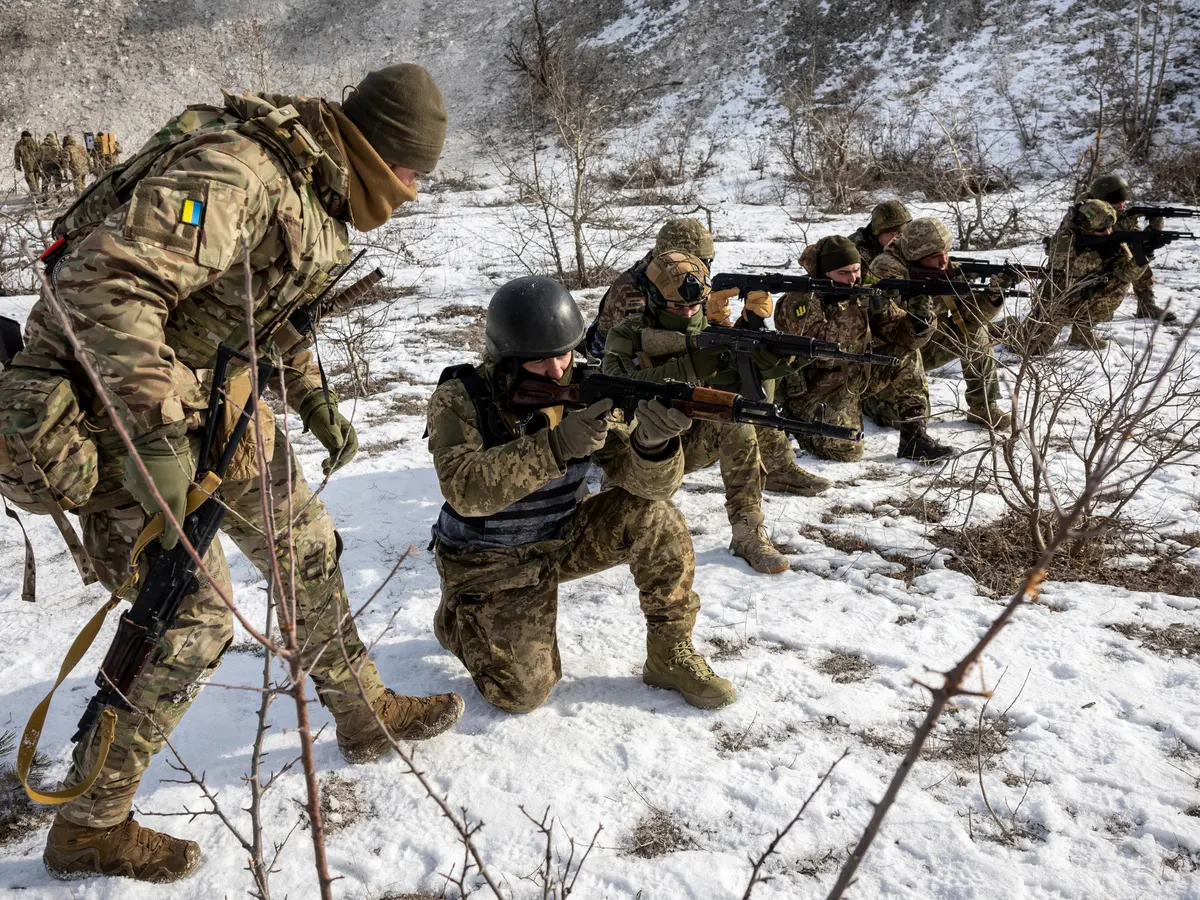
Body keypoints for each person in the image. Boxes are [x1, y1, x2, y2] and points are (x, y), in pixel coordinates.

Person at [9, 64, 462, 883]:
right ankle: (89, 824)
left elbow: (262, 312)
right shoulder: (237, 173)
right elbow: (104, 290)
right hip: (111, 403)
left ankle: (361, 711)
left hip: (205, 401)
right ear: (376, 151)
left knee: (306, 544)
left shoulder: (318, 189)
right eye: (412, 175)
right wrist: (155, 451)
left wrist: (315, 402)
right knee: (189, 614)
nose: (414, 193)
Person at [428, 275, 736, 714]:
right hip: (487, 558)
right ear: (506, 359)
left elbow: (647, 485)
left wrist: (654, 447)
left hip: (562, 536)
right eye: (540, 361)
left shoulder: (588, 389)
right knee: (523, 695)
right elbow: (465, 490)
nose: (557, 370)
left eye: (565, 354)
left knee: (656, 515)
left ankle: (669, 652)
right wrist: (556, 446)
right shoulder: (460, 398)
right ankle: (458, 618)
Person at [589, 217, 829, 497]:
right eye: (697, 260)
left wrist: (744, 329)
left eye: (706, 261)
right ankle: (629, 472)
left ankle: (778, 466)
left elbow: (704, 333)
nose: (702, 269)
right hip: (624, 370)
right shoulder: (632, 292)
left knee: (745, 380)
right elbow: (646, 346)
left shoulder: (686, 280)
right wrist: (702, 357)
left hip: (676, 364)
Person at [603, 251, 803, 574]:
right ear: (654, 300)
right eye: (677, 307)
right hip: (638, 450)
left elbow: (756, 393)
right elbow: (615, 386)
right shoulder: (627, 334)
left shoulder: (714, 329)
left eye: (694, 306)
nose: (687, 313)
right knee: (622, 530)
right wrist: (688, 366)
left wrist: (764, 346)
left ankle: (748, 531)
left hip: (690, 439)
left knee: (736, 418)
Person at [774, 235, 945, 461]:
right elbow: (820, 352)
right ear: (825, 273)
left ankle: (914, 436)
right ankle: (799, 425)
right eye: (843, 273)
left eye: (855, 270)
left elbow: (898, 335)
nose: (853, 278)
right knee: (848, 450)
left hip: (854, 374)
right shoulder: (802, 298)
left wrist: (919, 320)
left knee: (905, 353)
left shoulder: (863, 287)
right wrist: (857, 310)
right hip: (814, 388)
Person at [869, 218, 1011, 431]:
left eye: (946, 252)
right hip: (886, 358)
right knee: (906, 419)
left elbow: (970, 316)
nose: (944, 261)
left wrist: (991, 299)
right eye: (935, 256)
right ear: (917, 255)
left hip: (921, 345)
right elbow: (889, 329)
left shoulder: (938, 266)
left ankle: (983, 406)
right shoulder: (886, 270)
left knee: (974, 331)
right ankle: (868, 401)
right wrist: (926, 302)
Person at [1022, 199, 1147, 353]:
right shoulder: (1065, 237)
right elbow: (1067, 272)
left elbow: (1126, 274)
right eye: (1102, 230)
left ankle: (1082, 332)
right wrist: (1098, 254)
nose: (1108, 233)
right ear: (1084, 227)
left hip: (1084, 293)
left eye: (1109, 228)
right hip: (1057, 298)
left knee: (1119, 283)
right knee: (1031, 349)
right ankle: (1006, 325)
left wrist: (1144, 255)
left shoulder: (1109, 237)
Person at [1083, 173, 1176, 324]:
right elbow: (1106, 234)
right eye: (1118, 200)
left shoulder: (1120, 213)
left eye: (1124, 198)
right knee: (1126, 258)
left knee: (1137, 253)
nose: (1124, 203)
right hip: (1089, 267)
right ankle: (1089, 305)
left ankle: (1146, 303)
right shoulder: (1088, 212)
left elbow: (1137, 238)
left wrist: (1154, 230)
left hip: (1106, 263)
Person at [848, 199, 913, 268]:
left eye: (900, 232)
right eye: (889, 232)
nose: (895, 237)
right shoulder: (857, 251)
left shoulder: (913, 240)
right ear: (877, 234)